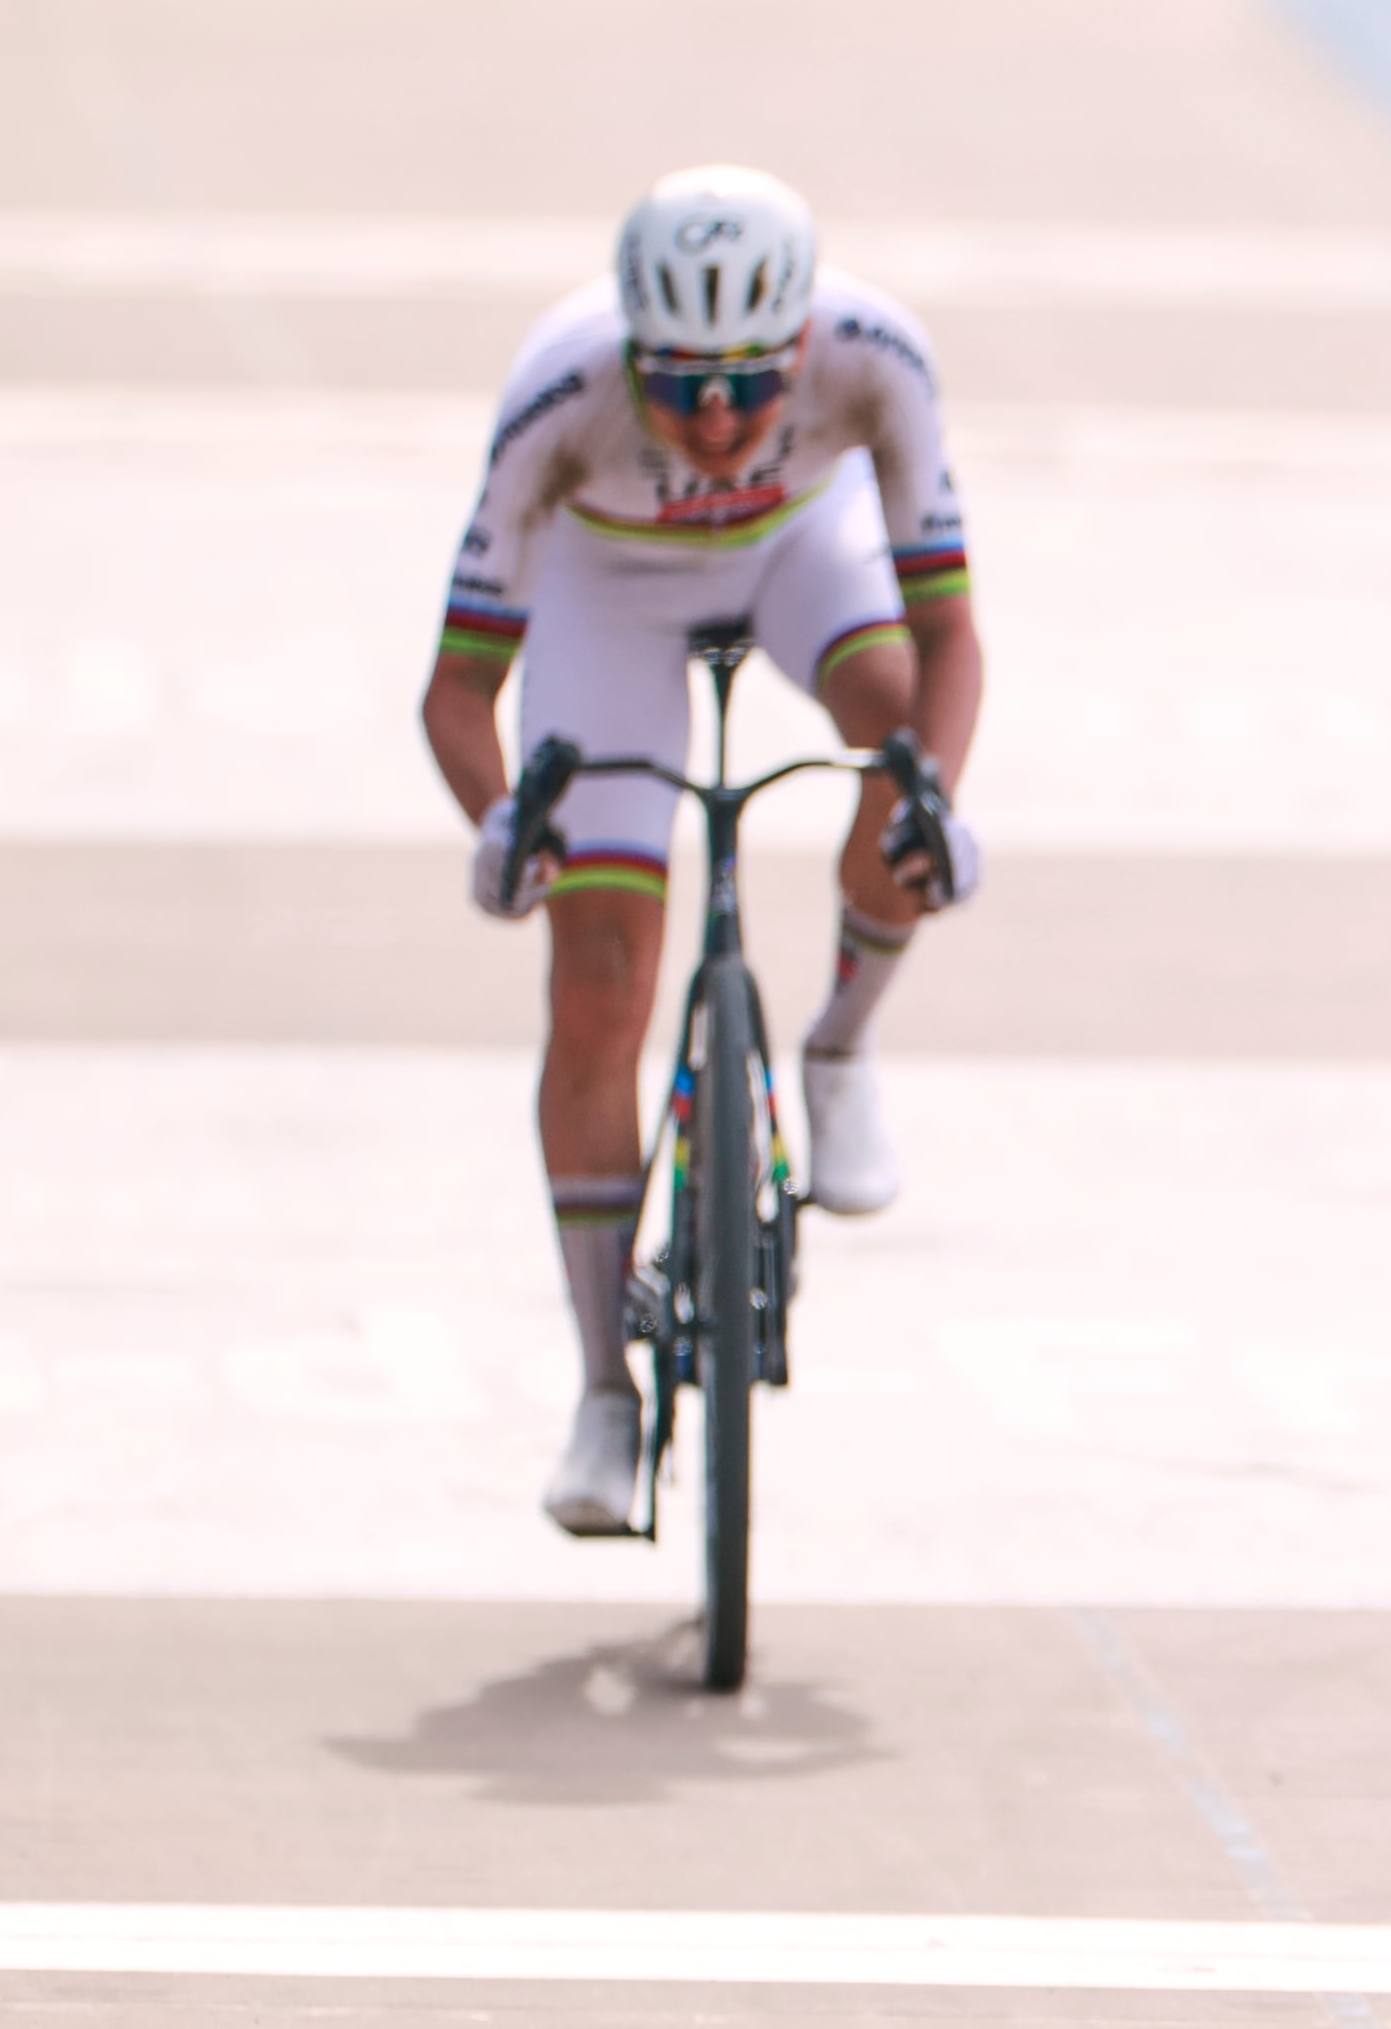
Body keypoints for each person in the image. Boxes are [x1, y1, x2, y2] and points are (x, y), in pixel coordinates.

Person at [420, 164, 987, 1537]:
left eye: (749, 383)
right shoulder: (560, 398)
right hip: (605, 593)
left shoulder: (877, 356)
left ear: (803, 348)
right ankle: (604, 1392)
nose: (718, 416)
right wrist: (503, 825)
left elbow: (950, 635)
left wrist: (935, 802)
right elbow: (456, 690)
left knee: (895, 741)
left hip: (799, 557)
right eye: (680, 384)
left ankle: (841, 1046)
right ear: (630, 354)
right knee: (603, 980)